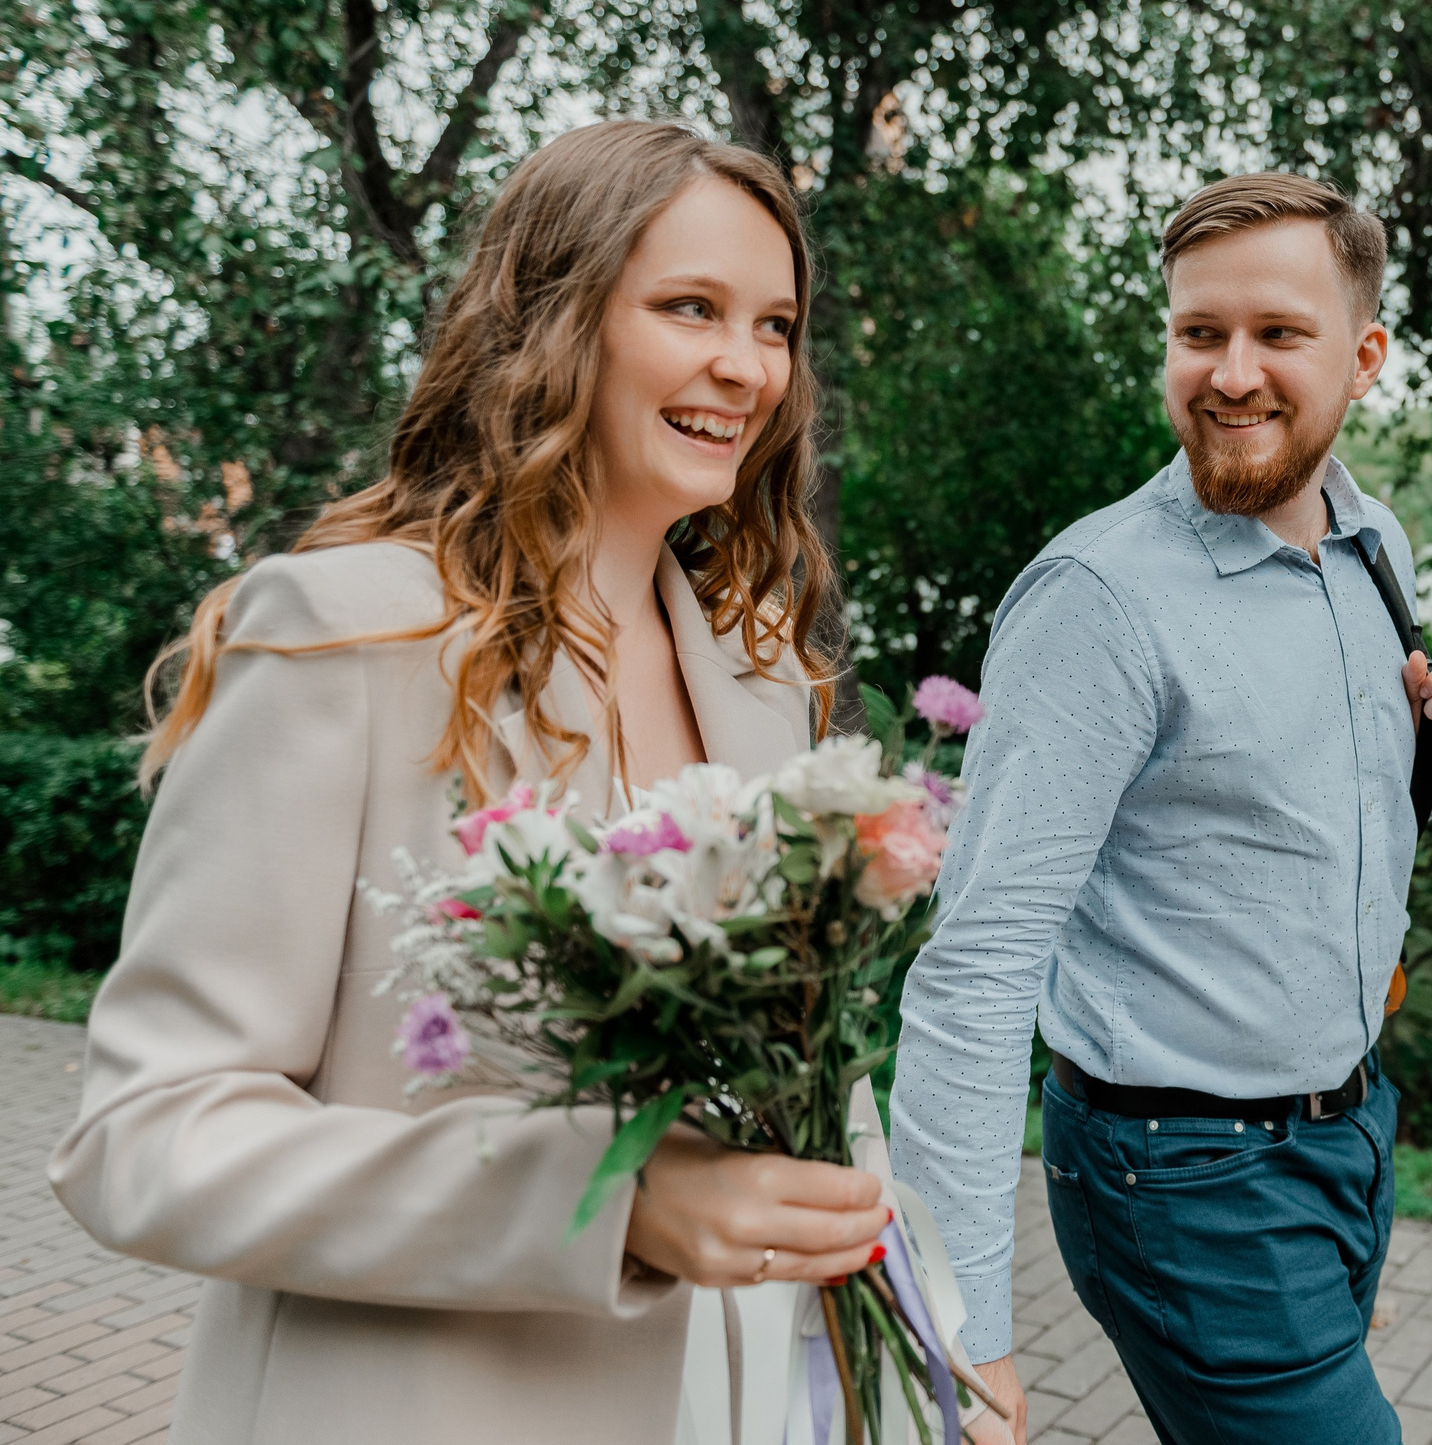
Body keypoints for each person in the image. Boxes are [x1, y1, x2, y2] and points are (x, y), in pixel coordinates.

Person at [50, 121, 894, 1444]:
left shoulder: (766, 674)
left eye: (775, 324)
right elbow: (148, 1136)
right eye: (689, 308)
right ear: (554, 321)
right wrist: (609, 1199)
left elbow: (815, 1086)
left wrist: (927, 1346)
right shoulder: (341, 635)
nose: (746, 366)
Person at [891, 172, 1432, 1443]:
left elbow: (1323, 821)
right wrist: (960, 1326)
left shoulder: (1371, 541)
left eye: (1278, 333)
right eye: (1199, 332)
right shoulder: (1097, 601)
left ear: (1365, 356)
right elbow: (975, 966)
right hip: (1179, 1171)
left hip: (1349, 1133)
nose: (1231, 373)